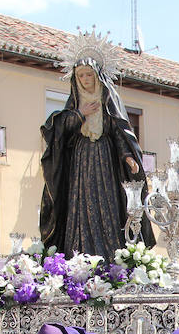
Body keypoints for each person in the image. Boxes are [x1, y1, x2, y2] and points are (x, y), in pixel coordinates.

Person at [39, 33, 154, 260]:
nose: (84, 79)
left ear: (97, 75)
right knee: (80, 206)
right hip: (80, 160)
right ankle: (78, 256)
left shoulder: (107, 100)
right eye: (80, 75)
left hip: (104, 160)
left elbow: (118, 130)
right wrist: (80, 114)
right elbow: (57, 129)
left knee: (107, 205)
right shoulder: (74, 103)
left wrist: (127, 156)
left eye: (88, 74)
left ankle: (111, 255)